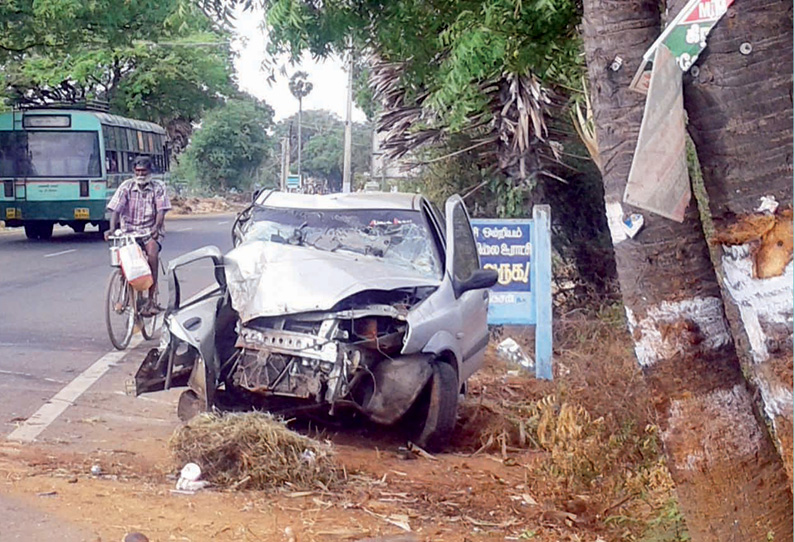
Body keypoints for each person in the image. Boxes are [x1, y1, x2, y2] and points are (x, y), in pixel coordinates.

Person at [105, 156, 171, 315]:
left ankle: (150, 299)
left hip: (149, 230)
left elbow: (161, 210)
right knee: (124, 258)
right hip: (129, 231)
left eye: (144, 171)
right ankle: (125, 292)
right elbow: (116, 210)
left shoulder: (158, 187)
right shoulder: (126, 187)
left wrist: (157, 226)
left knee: (152, 255)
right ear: (134, 171)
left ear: (149, 171)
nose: (141, 174)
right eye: (138, 171)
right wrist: (112, 229)